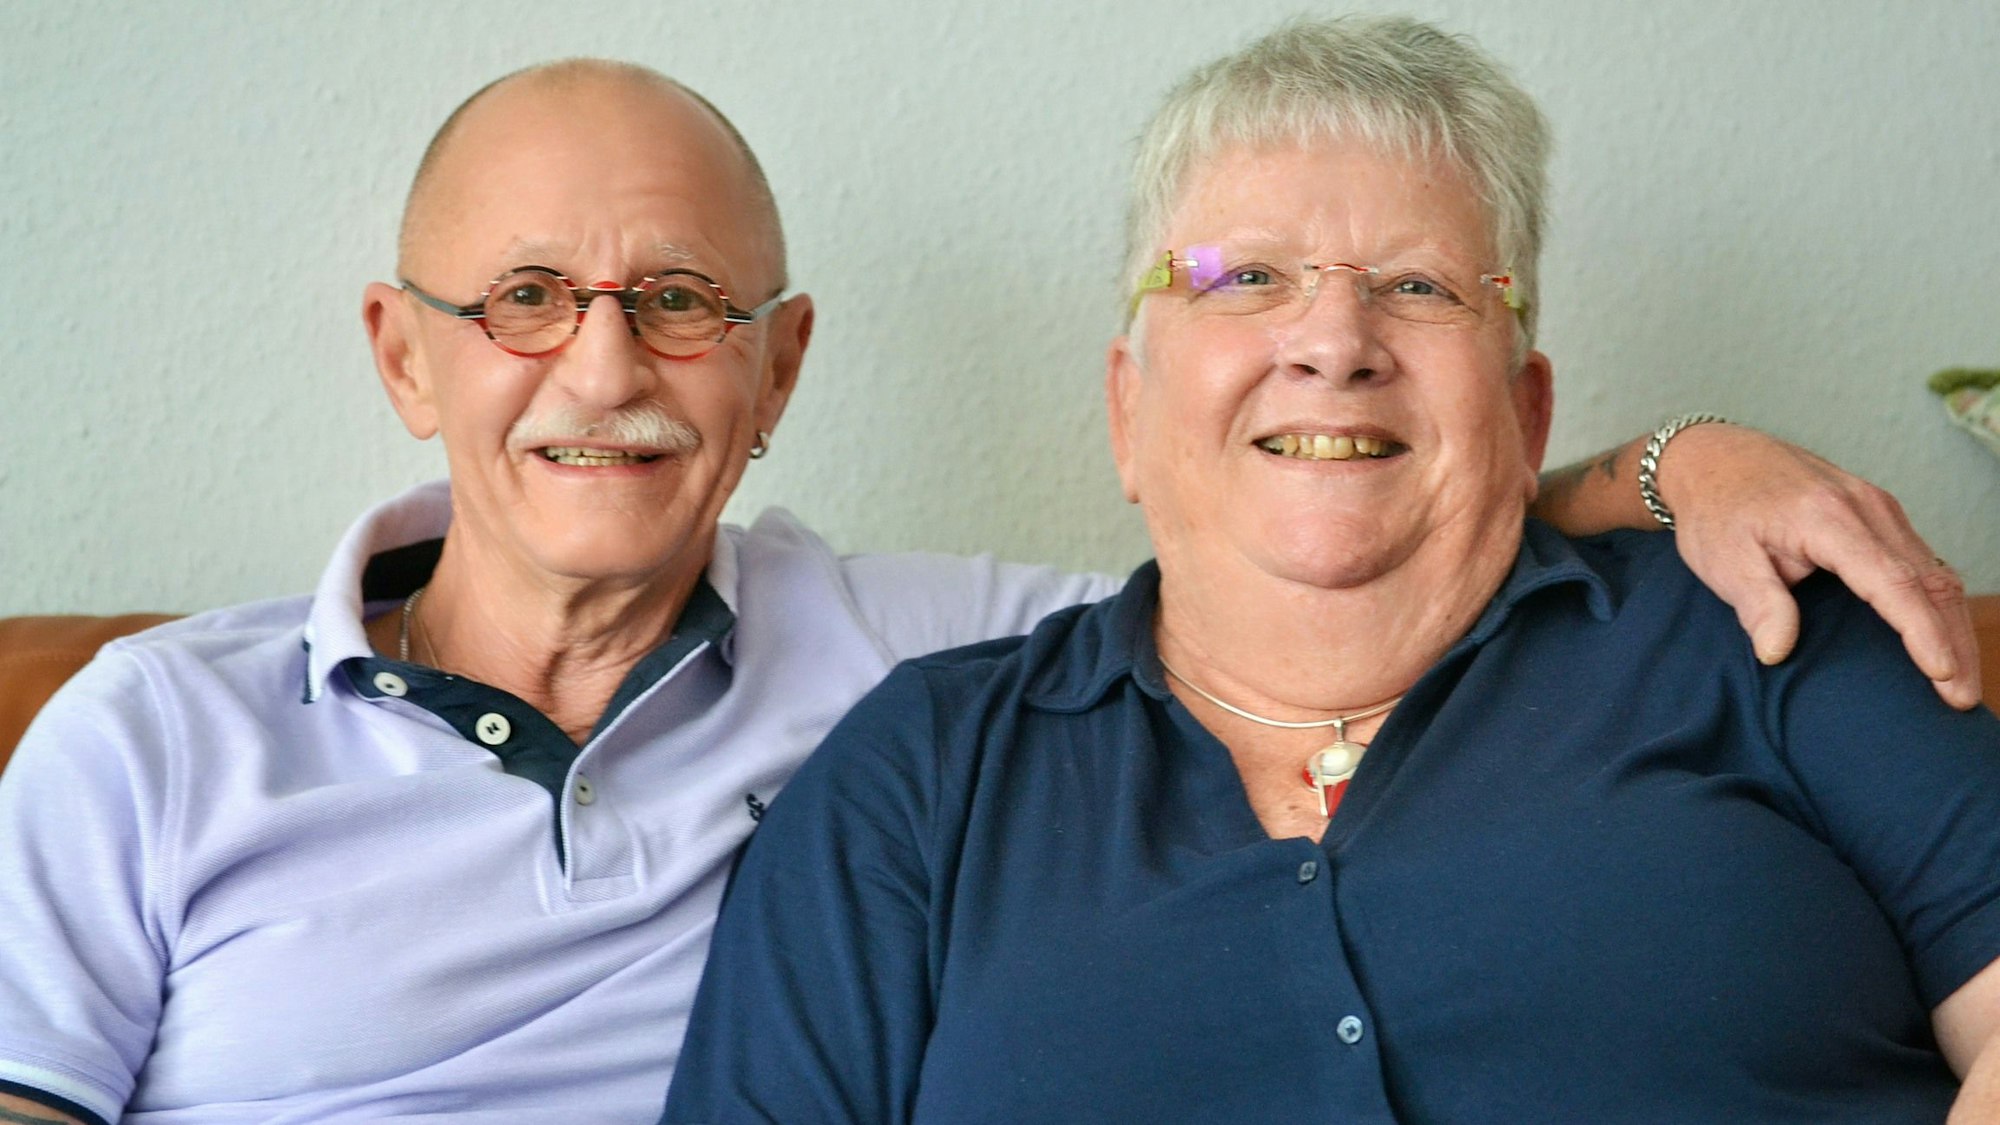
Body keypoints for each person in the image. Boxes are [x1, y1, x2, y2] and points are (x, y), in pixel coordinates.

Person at [0, 55, 1978, 1125]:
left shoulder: (907, 670)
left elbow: (1329, 531)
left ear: (775, 370)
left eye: (680, 304)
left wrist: (1662, 468)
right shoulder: (155, 733)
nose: (601, 366)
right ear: (402, 350)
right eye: (524, 299)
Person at [663, 18, 2000, 1123]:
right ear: (1129, 413)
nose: (1333, 337)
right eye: (1245, 276)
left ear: (1528, 412)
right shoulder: (922, 774)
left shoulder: (1769, 638)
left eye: (1419, 287)